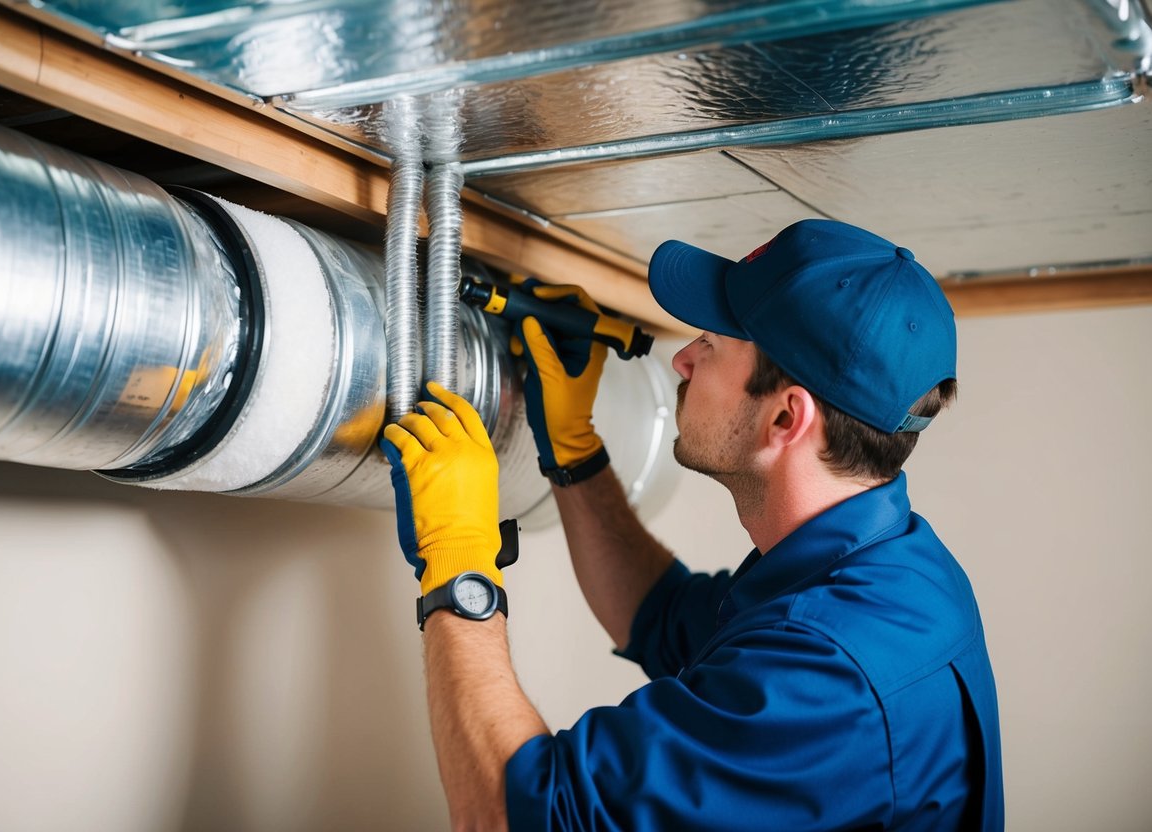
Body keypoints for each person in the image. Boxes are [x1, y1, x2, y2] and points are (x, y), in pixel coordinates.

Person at [381, 219, 1004, 830]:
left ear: (786, 420)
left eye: (710, 342)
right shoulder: (882, 569)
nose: (681, 360)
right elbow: (659, 616)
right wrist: (575, 454)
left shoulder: (829, 676)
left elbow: (507, 817)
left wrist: (458, 562)